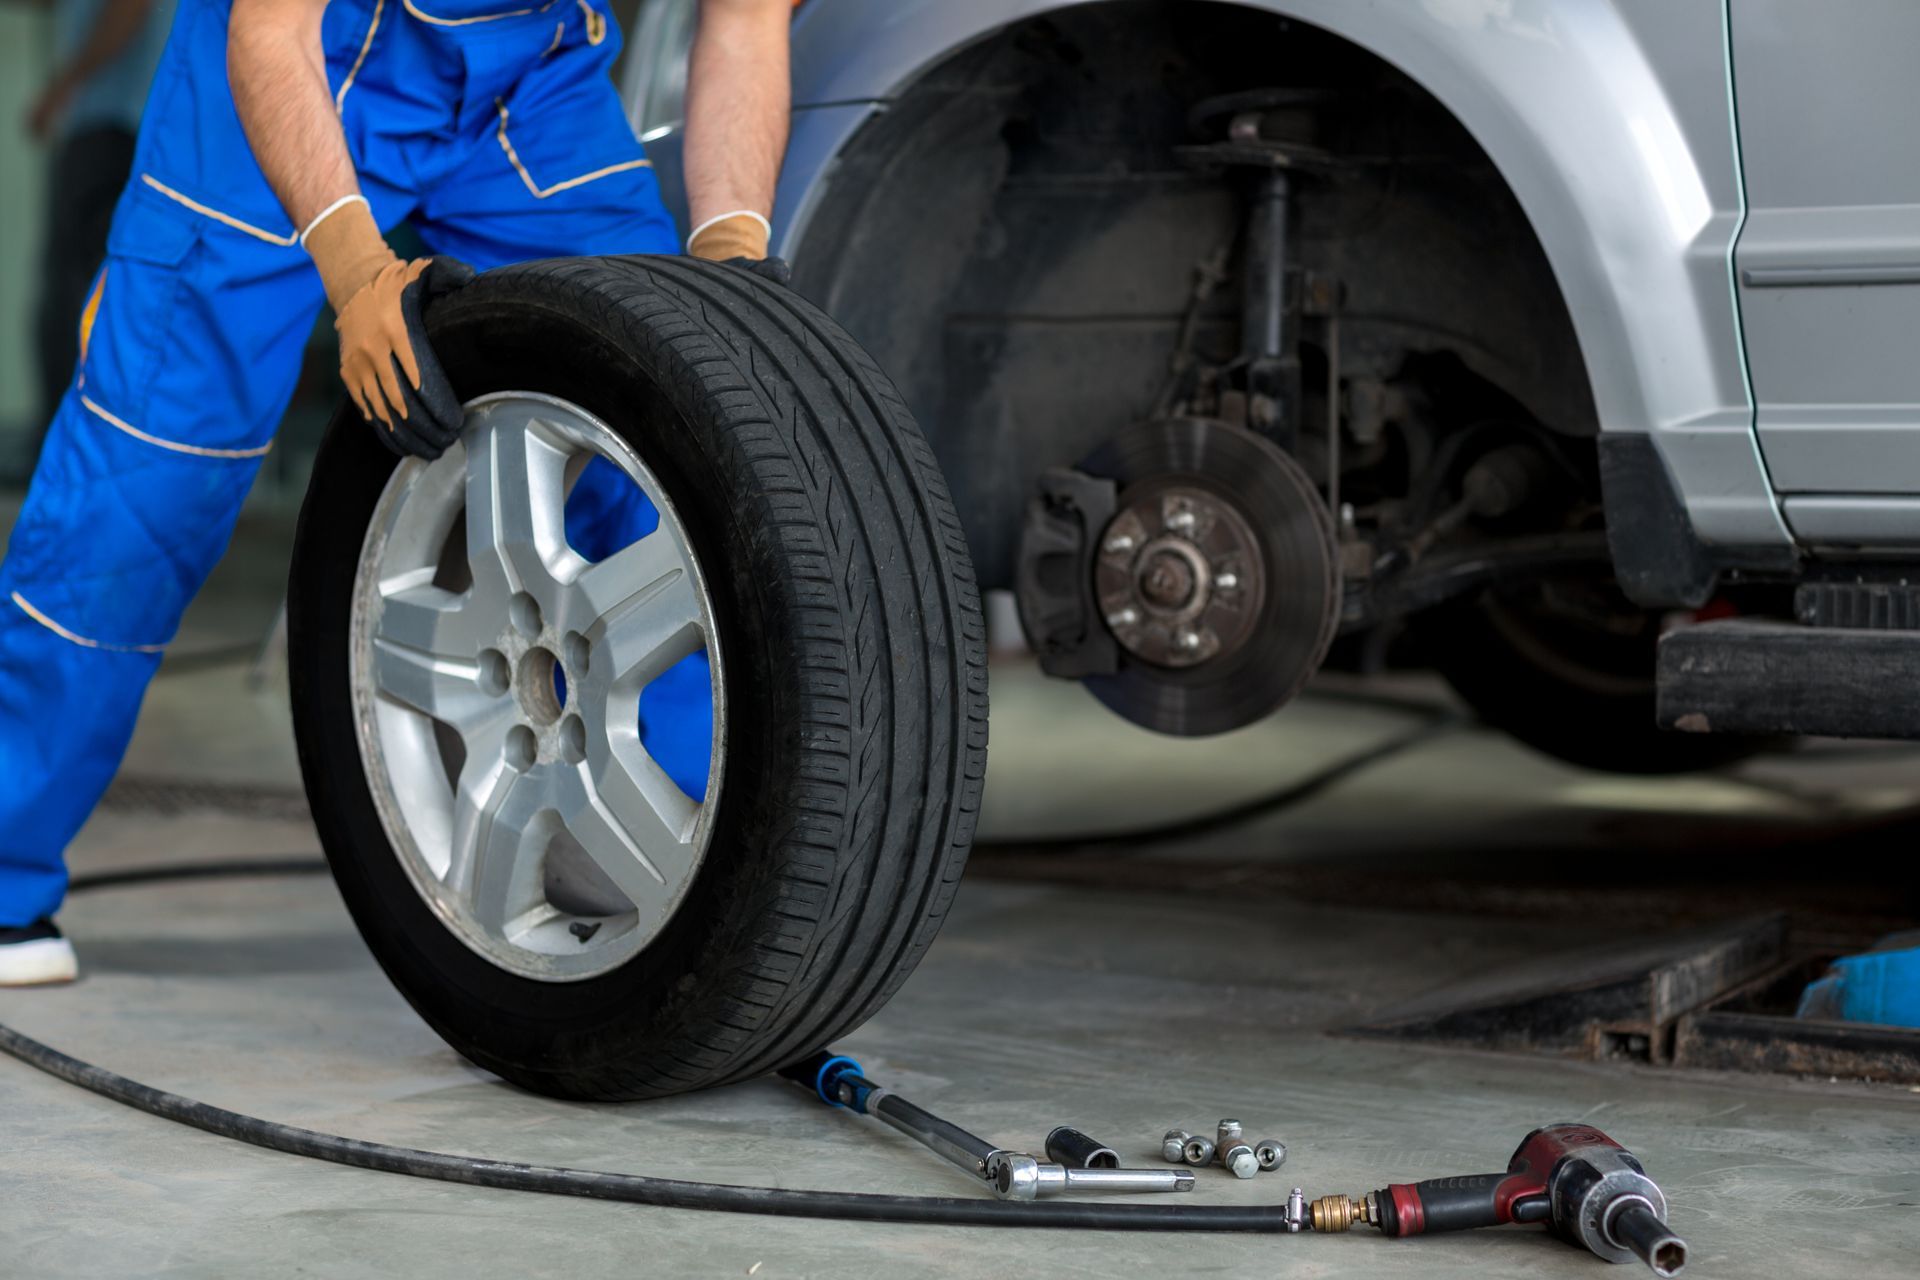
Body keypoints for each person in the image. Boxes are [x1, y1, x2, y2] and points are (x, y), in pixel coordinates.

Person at [0, 0, 793, 985]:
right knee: (147, 483)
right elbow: (269, 38)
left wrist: (730, 261)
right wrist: (356, 270)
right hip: (298, 63)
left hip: (526, 84)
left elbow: (747, 20)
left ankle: (704, 869)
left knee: (671, 400)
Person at [27, 0, 173, 442]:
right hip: (116, 131)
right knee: (85, 292)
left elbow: (131, 8)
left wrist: (66, 83)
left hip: (110, 131)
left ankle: (81, 444)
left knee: (84, 294)